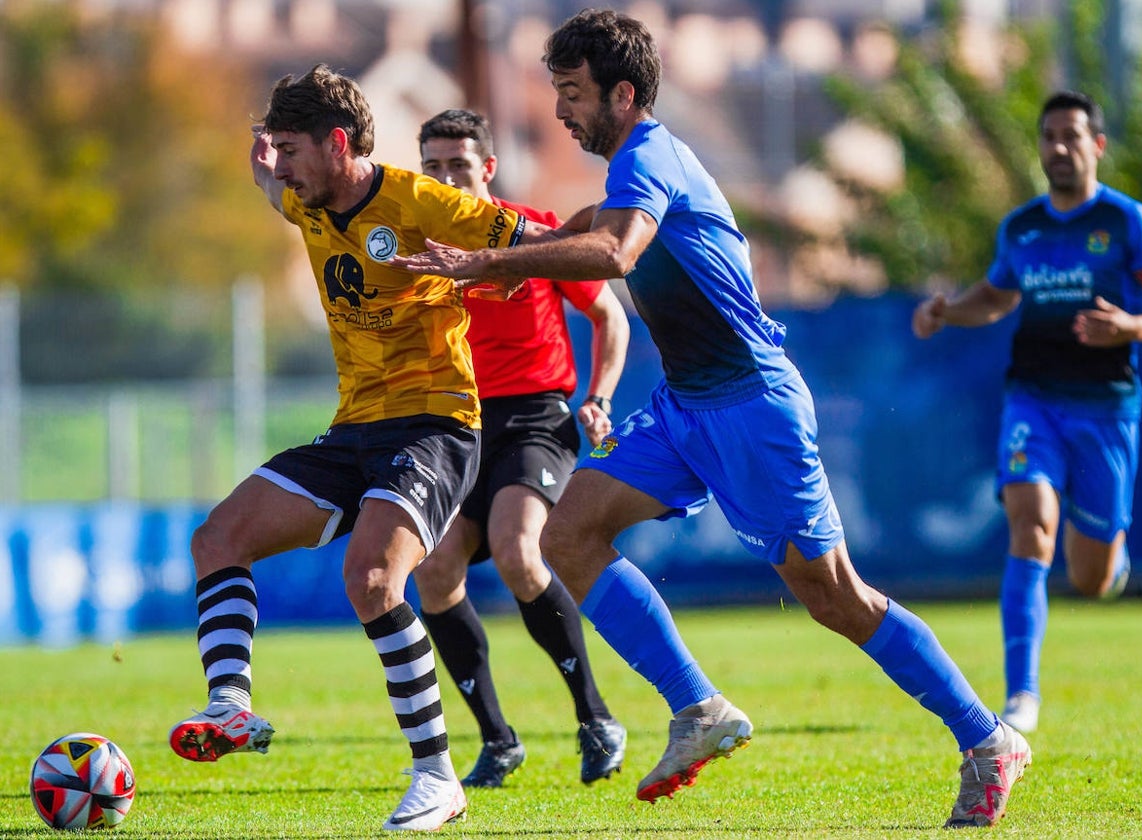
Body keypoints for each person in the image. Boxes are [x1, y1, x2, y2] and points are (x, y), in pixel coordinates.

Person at [394, 8, 1032, 828]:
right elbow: (592, 225)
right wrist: (515, 240)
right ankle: (697, 707)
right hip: (687, 408)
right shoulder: (634, 163)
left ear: (623, 93)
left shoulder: (652, 155)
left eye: (573, 94)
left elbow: (617, 252)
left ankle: (987, 740)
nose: (560, 111)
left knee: (833, 597)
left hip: (752, 406)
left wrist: (490, 262)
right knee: (568, 535)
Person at [166, 64, 549, 832]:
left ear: (338, 144)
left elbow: (536, 244)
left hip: (437, 423)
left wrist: (475, 269)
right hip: (356, 429)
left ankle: (438, 778)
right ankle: (231, 707)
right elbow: (278, 192)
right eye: (274, 148)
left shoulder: (420, 201)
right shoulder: (309, 200)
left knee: (372, 578)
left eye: (291, 149)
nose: (284, 165)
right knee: (218, 538)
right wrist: (264, 171)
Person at [912, 90, 1142, 734]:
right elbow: (997, 294)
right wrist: (949, 310)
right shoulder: (1022, 227)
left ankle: (1110, 562)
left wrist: (1131, 325)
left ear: (1097, 145)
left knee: (1092, 576)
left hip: (1105, 410)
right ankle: (1022, 695)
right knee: (1031, 521)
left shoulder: (1127, 223)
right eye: (1048, 136)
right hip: (1033, 401)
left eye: (1071, 136)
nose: (1058, 148)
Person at [412, 108, 630, 787]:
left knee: (515, 547)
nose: (448, 177)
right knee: (435, 569)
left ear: (488, 167)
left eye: (458, 164)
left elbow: (608, 315)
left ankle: (595, 718)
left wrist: (599, 398)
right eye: (434, 168)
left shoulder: (532, 233)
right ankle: (497, 739)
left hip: (537, 416)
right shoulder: (418, 251)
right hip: (458, 425)